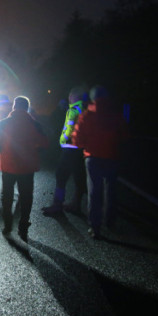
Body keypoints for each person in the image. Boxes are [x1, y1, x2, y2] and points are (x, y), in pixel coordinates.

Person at [72, 86, 129, 239]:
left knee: (94, 192)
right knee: (111, 190)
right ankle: (110, 221)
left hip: (93, 157)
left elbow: (77, 139)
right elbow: (124, 135)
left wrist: (85, 144)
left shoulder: (87, 115)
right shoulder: (115, 115)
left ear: (92, 98)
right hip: (112, 156)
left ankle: (95, 227)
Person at [0, 96, 49, 241]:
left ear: (14, 107)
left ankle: (7, 225)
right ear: (27, 108)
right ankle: (23, 226)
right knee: (26, 196)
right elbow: (45, 143)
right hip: (27, 167)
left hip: (8, 166)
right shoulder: (34, 124)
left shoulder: (4, 123)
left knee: (7, 195)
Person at [42, 87, 88, 215]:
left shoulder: (73, 110)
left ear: (73, 97)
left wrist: (62, 140)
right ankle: (76, 204)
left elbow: (69, 128)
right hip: (81, 149)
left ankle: (57, 205)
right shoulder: (86, 109)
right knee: (79, 178)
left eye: (70, 96)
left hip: (70, 148)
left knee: (61, 176)